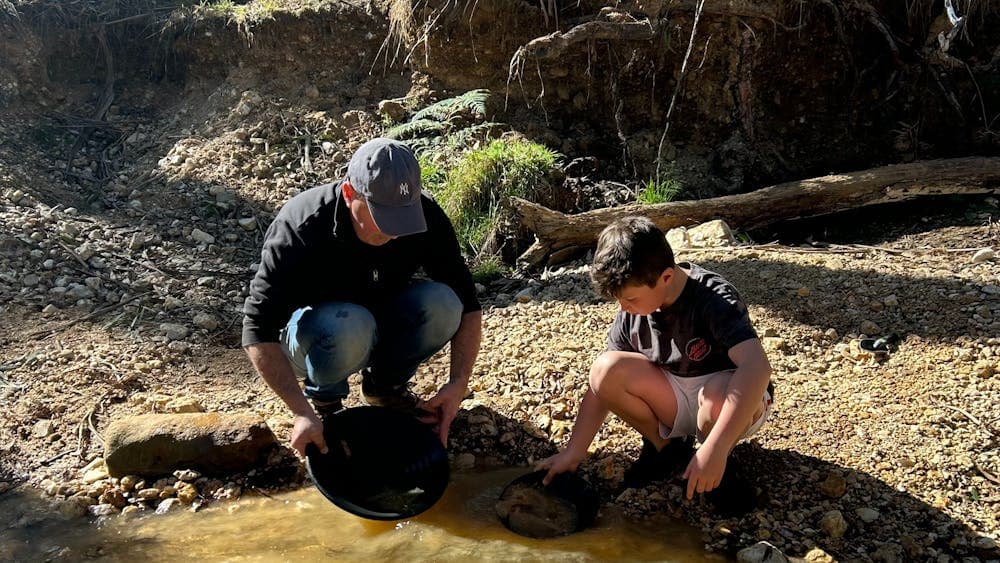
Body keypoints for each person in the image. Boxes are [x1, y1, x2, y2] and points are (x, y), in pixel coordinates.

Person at [242, 138, 483, 457]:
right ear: (349, 194)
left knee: (445, 303)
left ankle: (385, 389)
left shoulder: (427, 216)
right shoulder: (301, 225)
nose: (394, 232)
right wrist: (301, 412)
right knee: (351, 323)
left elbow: (468, 306)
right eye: (382, 217)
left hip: (379, 322)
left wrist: (458, 383)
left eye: (403, 217)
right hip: (313, 337)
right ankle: (326, 402)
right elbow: (257, 330)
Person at [537, 216, 773, 512]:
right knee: (604, 369)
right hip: (675, 395)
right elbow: (601, 388)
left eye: (631, 299)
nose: (624, 308)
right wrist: (573, 452)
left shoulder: (713, 298)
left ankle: (720, 466)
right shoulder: (632, 310)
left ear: (666, 278)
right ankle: (666, 449)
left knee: (712, 398)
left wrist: (716, 448)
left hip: (731, 399)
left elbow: (757, 368)